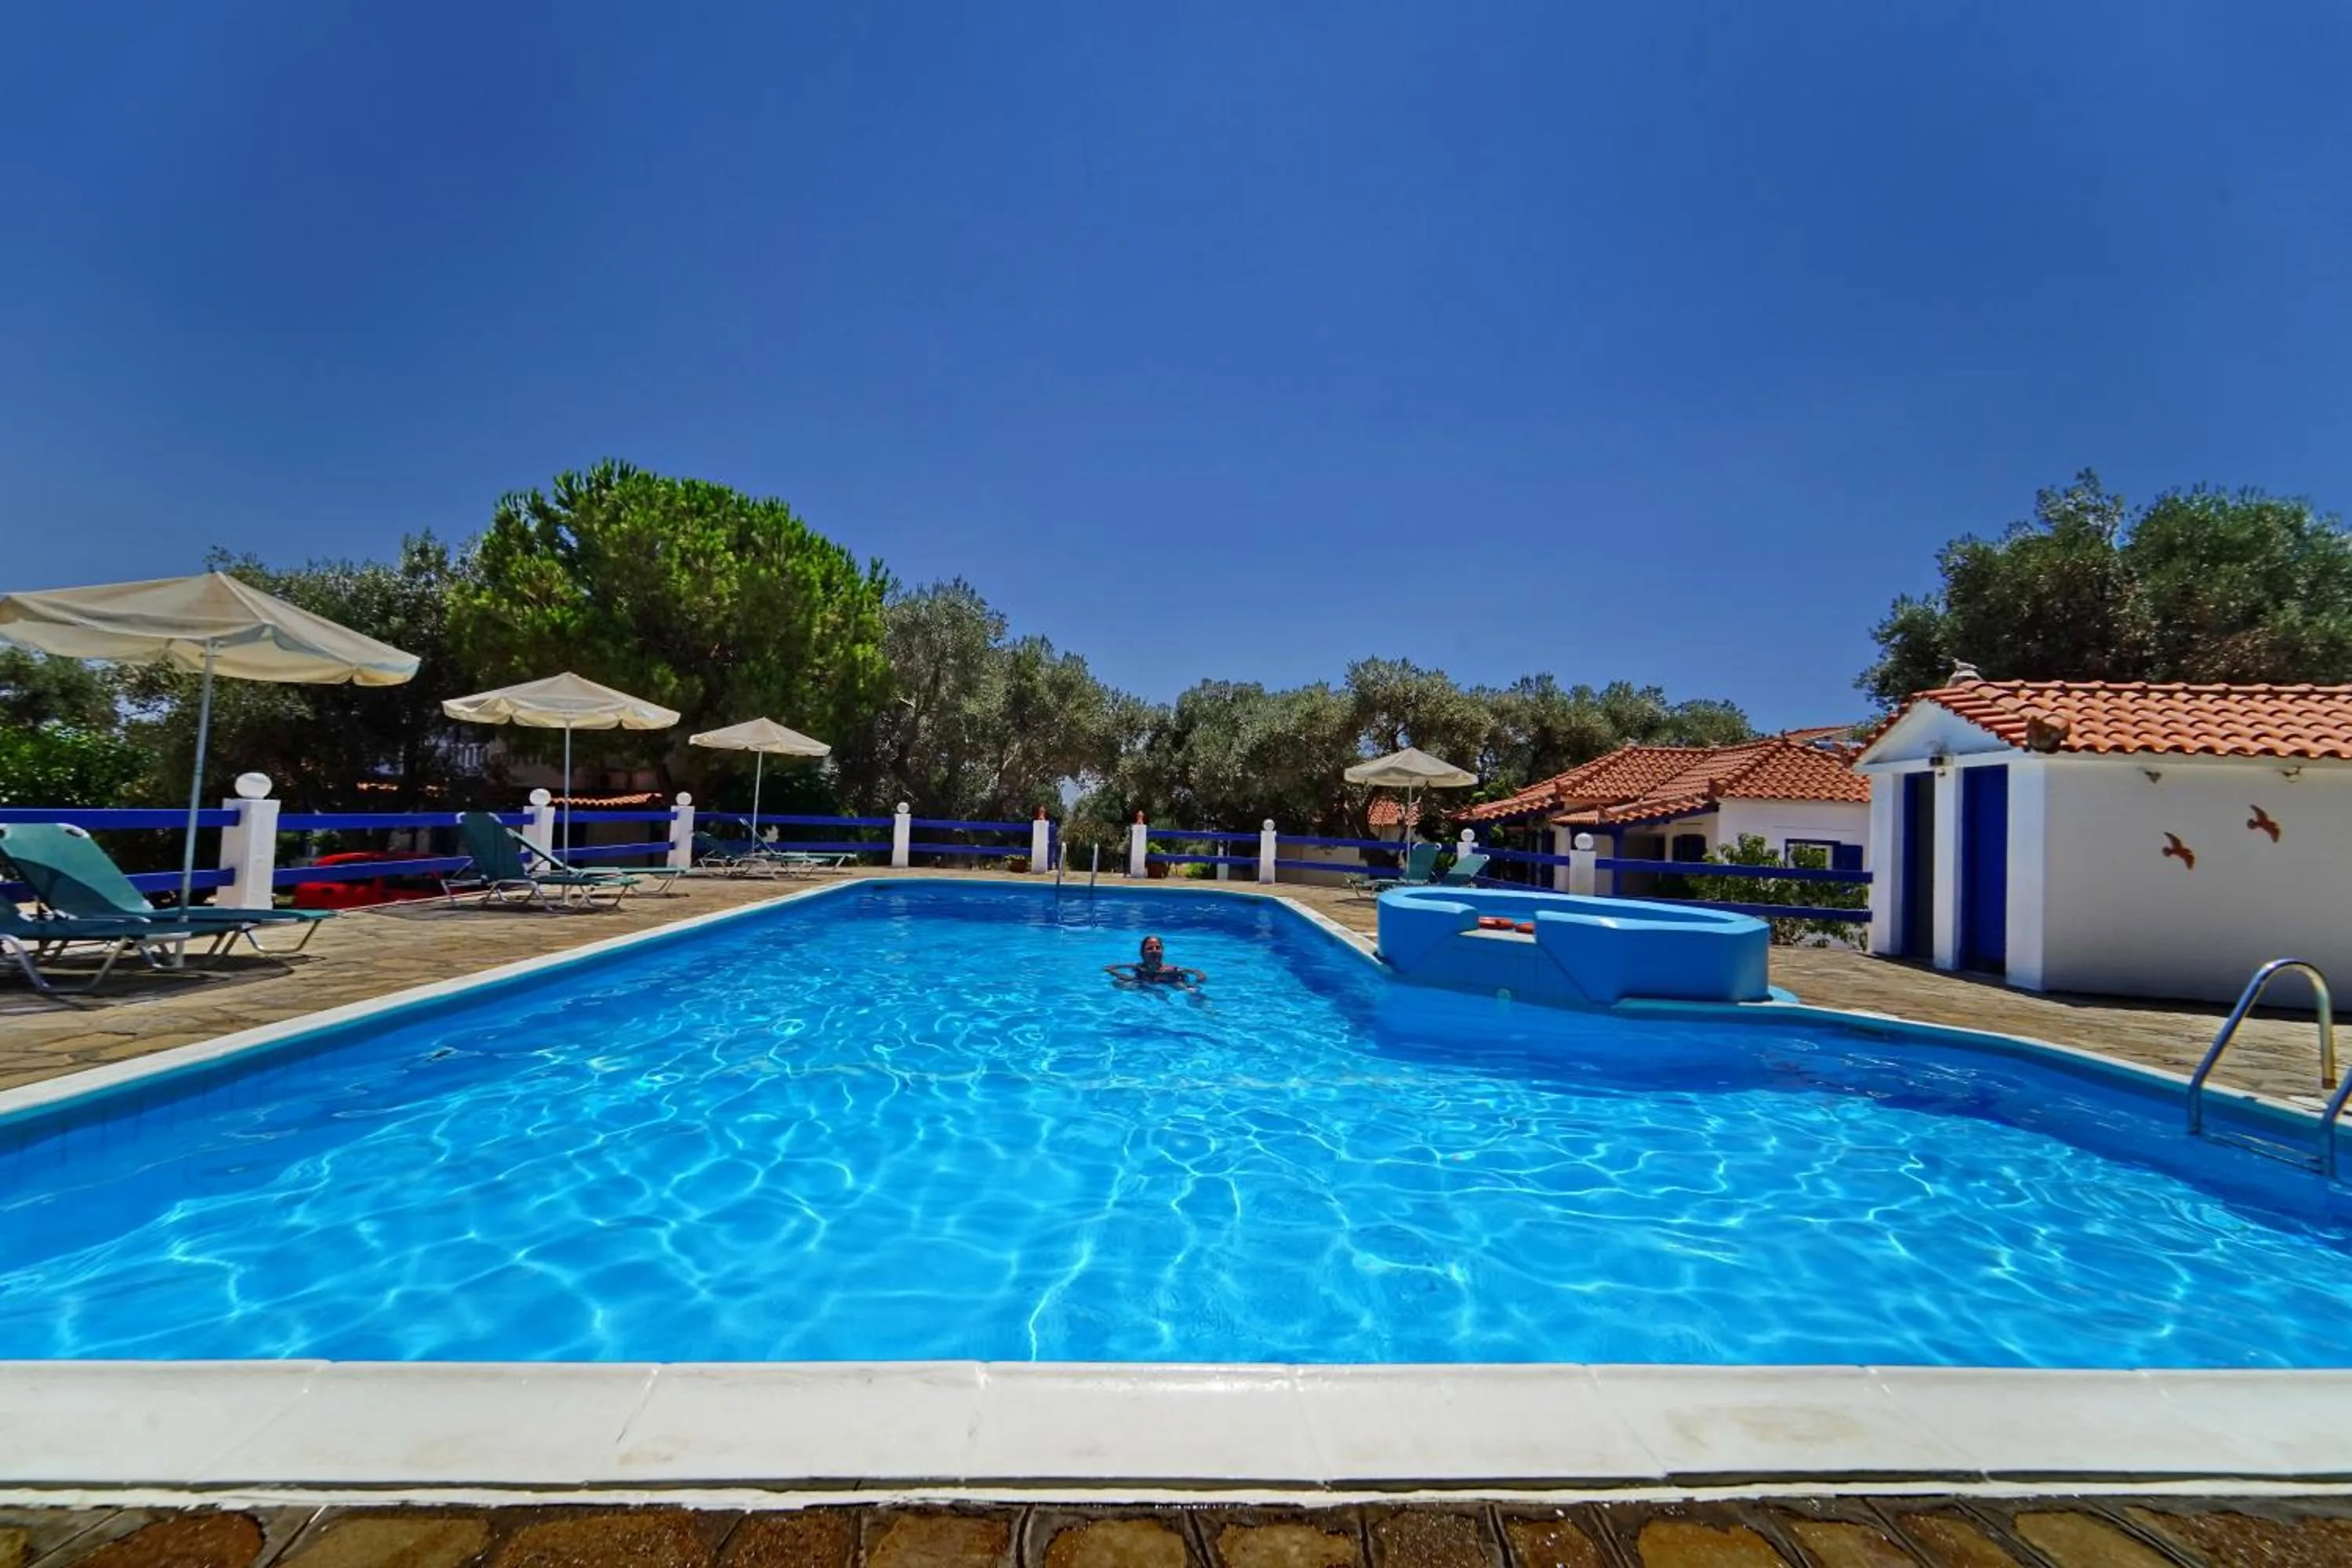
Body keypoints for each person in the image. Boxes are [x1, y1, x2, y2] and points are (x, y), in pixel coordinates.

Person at [1105, 934, 1206, 989]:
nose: (1155, 950)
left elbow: (1196, 972)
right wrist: (1119, 974)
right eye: (1150, 948)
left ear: (1162, 951)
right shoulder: (1139, 967)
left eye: (1158, 948)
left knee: (1191, 990)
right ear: (1142, 953)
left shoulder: (1171, 969)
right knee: (1117, 983)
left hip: (1171, 982)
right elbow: (1109, 968)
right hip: (1144, 983)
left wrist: (1198, 981)